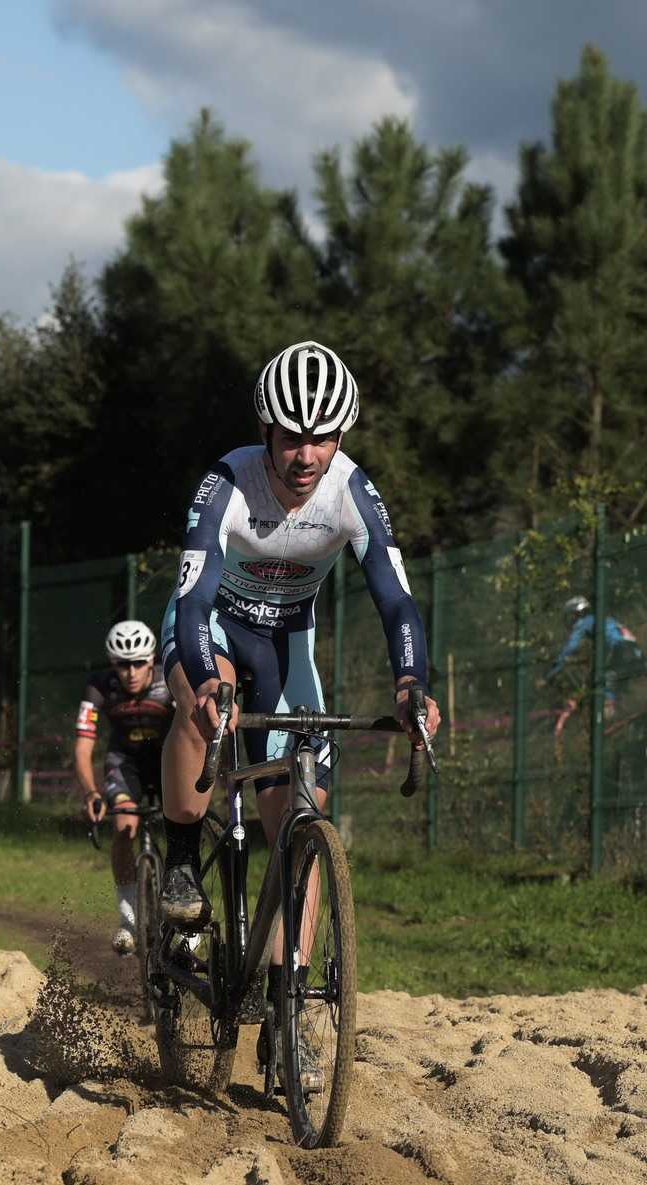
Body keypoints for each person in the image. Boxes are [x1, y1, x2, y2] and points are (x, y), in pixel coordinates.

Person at [155, 340, 443, 1087]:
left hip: (287, 645)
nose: (305, 454)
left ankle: (291, 1004)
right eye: (291, 437)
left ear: (340, 437)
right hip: (212, 628)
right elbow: (191, 598)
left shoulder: (352, 493)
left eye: (321, 438)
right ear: (267, 431)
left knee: (307, 812)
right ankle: (183, 860)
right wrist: (202, 680)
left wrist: (412, 685)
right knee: (202, 707)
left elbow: (396, 598)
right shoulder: (227, 481)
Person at [71, 619, 173, 956]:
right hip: (124, 762)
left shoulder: (169, 680)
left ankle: (186, 915)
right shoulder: (99, 686)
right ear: (112, 664)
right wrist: (91, 792)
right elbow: (84, 747)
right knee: (124, 826)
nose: (130, 672)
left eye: (139, 663)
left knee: (182, 824)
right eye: (122, 664)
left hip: (166, 761)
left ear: (152, 660)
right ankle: (128, 920)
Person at [543, 595, 642, 757]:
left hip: (622, 652)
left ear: (576, 614)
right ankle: (620, 720)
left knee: (601, 683)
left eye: (571, 616)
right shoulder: (604, 620)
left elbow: (569, 649)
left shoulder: (583, 623)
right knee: (614, 686)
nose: (571, 621)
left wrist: (550, 674)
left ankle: (605, 720)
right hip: (636, 653)